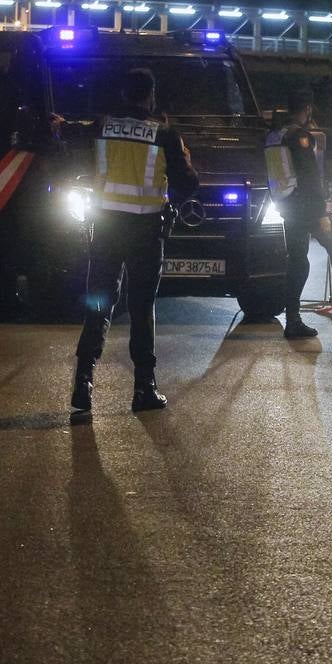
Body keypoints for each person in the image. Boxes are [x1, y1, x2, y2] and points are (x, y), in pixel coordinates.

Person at [71, 68, 198, 422]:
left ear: (124, 95)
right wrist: (182, 156)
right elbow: (188, 184)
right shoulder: (165, 134)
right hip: (145, 230)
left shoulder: (102, 128)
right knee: (141, 308)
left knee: (98, 301)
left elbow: (77, 157)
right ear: (150, 97)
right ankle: (144, 388)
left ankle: (83, 381)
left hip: (107, 226)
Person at [266, 89, 332, 338]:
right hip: (305, 207)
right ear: (307, 109)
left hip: (286, 205)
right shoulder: (299, 137)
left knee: (297, 260)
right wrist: (320, 213)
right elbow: (309, 177)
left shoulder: (274, 135)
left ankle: (292, 320)